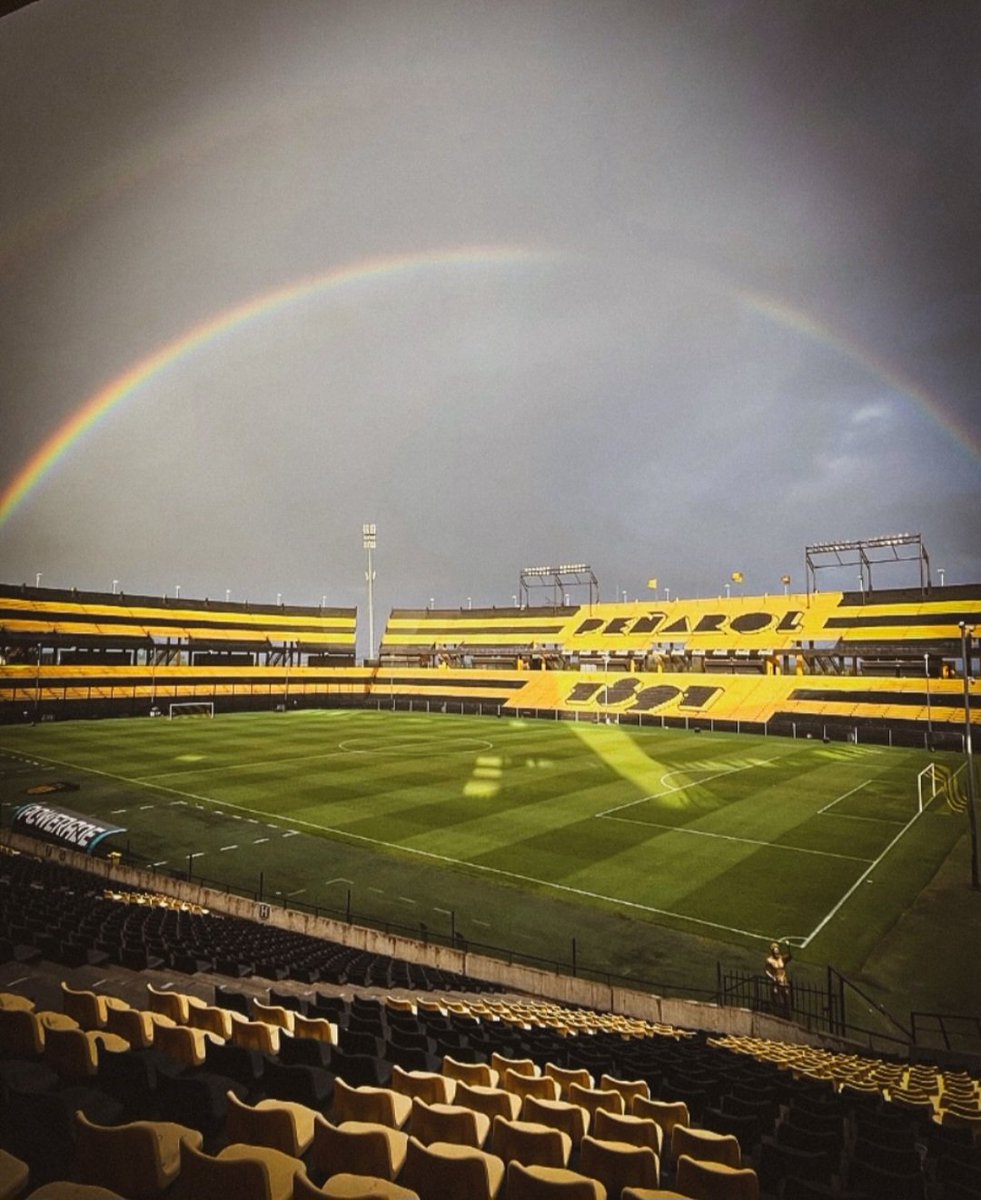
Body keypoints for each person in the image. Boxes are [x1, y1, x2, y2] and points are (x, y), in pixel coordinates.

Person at [765, 941, 792, 1016]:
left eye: (777, 951)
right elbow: (766, 970)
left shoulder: (782, 959)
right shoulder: (769, 960)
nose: (777, 953)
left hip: (784, 981)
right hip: (775, 981)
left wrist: (788, 947)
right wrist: (771, 977)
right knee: (776, 998)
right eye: (775, 952)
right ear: (772, 952)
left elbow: (790, 957)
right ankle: (776, 1013)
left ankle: (787, 1014)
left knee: (786, 997)